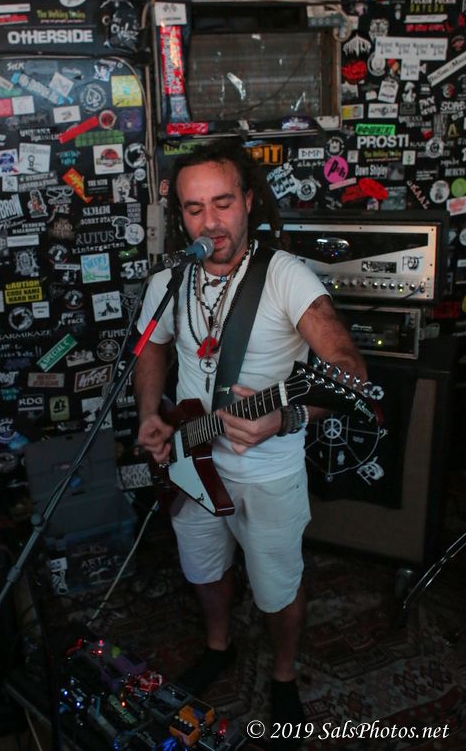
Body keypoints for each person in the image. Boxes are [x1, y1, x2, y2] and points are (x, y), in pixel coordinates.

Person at [134, 139, 367, 741]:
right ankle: (219, 646)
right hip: (190, 458)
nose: (209, 222)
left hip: (266, 472)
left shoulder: (286, 276)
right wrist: (150, 414)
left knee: (276, 585)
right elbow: (152, 347)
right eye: (194, 209)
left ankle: (283, 674)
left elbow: (349, 370)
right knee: (202, 566)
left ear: (248, 202)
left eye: (222, 203)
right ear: (180, 215)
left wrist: (284, 418)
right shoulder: (171, 279)